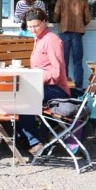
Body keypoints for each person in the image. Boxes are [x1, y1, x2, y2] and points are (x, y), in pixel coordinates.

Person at [17, 8, 70, 154]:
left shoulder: (51, 40)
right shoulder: (39, 38)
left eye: (36, 25)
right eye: (30, 27)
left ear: (45, 22)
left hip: (56, 88)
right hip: (45, 86)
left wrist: (34, 77)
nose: (33, 30)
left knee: (22, 100)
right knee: (19, 97)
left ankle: (35, 141)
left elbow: (56, 72)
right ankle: (29, 138)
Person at [52, 0, 91, 87]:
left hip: (64, 32)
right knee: (77, 61)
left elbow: (55, 17)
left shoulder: (61, 0)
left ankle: (64, 86)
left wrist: (60, 21)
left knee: (63, 61)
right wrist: (81, 24)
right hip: (77, 33)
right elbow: (88, 18)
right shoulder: (82, 0)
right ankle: (78, 87)